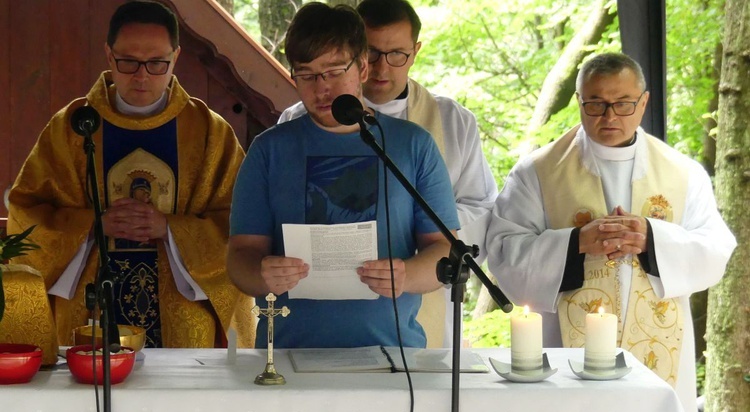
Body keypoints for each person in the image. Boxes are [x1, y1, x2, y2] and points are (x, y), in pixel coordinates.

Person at [485, 52, 736, 412]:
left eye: (622, 103)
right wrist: (575, 243)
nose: (609, 115)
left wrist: (653, 238)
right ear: (579, 103)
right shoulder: (537, 173)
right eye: (596, 104)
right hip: (563, 346)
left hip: (658, 351)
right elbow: (502, 252)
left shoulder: (683, 173)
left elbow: (717, 250)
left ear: (643, 103)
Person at [7, 0, 255, 349]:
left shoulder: (209, 133)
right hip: (89, 309)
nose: (141, 76)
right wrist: (93, 226)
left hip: (182, 317)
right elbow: (26, 213)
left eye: (156, 63)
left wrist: (170, 230)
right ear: (109, 56)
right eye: (129, 62)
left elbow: (242, 223)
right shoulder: (72, 127)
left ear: (176, 57)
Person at [227, 2, 459, 349]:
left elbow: (445, 250)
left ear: (362, 67)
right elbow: (240, 256)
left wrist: (407, 275)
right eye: (306, 75)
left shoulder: (412, 145)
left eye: (334, 71)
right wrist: (263, 274)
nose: (322, 88)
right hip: (289, 355)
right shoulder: (268, 151)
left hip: (393, 354)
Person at [278, 0, 498, 347]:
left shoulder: (452, 121)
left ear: (415, 52)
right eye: (372, 53)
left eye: (397, 54)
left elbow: (482, 206)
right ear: (357, 57)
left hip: (419, 295)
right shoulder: (297, 120)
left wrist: (412, 237)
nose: (382, 68)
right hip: (317, 304)